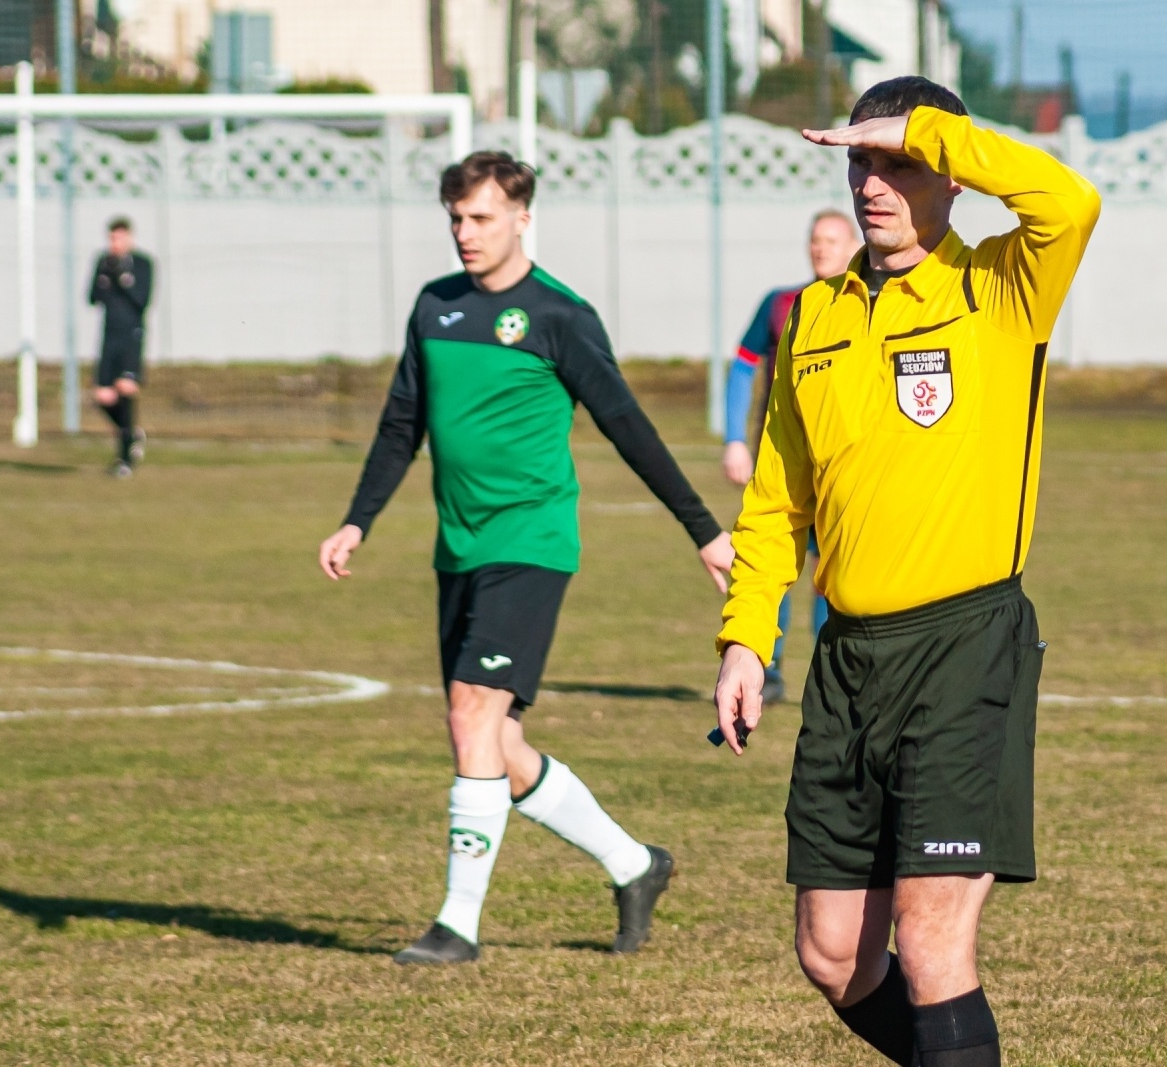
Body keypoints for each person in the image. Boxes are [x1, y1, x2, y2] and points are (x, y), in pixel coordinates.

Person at [712, 77, 1100, 1066]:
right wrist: (747, 638)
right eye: (860, 161)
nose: (873, 183)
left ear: (950, 173)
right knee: (833, 952)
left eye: (897, 163)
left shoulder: (1001, 288)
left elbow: (1069, 201)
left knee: (930, 939)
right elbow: (775, 505)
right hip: (848, 663)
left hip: (963, 647)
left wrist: (928, 129)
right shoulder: (815, 322)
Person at [319, 150, 736, 965]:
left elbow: (627, 425)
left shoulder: (559, 316)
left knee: (471, 711)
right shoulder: (434, 307)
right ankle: (634, 862)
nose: (464, 234)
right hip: (458, 547)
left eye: (479, 218)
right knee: (493, 745)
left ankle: (457, 925)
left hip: (532, 542)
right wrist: (356, 520)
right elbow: (403, 423)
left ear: (521, 217)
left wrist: (702, 528)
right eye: (455, 218)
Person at [721, 208, 858, 704]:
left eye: (831, 240)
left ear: (851, 246)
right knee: (769, 561)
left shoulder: (872, 304)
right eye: (815, 239)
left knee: (832, 572)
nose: (821, 248)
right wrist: (736, 439)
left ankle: (830, 669)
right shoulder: (782, 305)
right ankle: (766, 666)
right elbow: (742, 367)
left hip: (840, 469)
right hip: (780, 463)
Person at [88, 217, 154, 478]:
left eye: (119, 238)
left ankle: (124, 459)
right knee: (103, 396)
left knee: (125, 390)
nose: (114, 243)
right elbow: (92, 297)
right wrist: (107, 278)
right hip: (108, 336)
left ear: (129, 238)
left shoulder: (142, 263)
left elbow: (142, 299)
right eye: (111, 238)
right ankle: (132, 434)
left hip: (131, 336)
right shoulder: (103, 262)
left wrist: (123, 280)